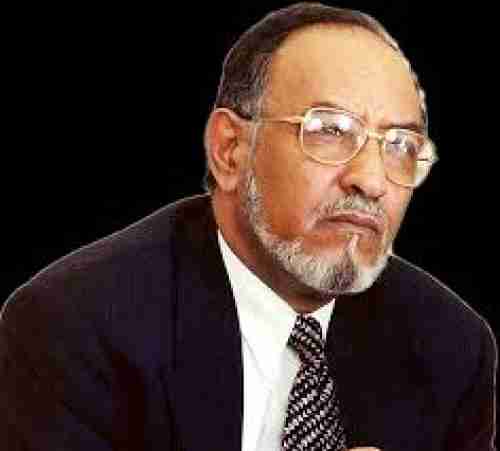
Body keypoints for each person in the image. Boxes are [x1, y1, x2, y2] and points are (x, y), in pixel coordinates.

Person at [1, 2, 496, 451]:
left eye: (401, 146)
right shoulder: (77, 325)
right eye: (329, 130)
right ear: (230, 150)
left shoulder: (450, 346)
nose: (371, 181)